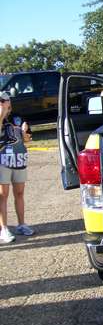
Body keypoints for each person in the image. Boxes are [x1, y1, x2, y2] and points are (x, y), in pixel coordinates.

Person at [0, 92, 34, 243]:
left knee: (19, 193)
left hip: (19, 160)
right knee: (3, 195)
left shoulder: (18, 116)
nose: (3, 103)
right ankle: (4, 229)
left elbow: (27, 139)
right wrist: (2, 113)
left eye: (5, 100)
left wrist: (25, 133)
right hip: (2, 161)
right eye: (1, 101)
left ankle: (21, 224)